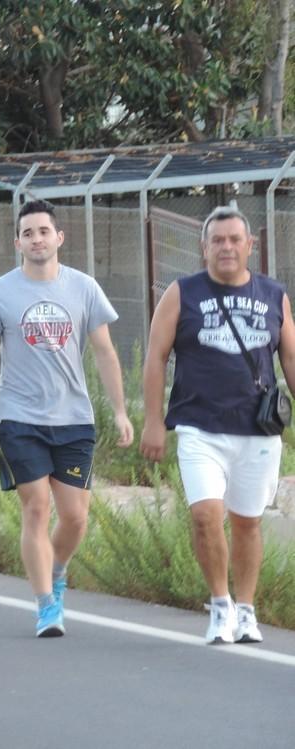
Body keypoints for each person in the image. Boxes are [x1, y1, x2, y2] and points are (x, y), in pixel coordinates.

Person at [0, 199, 133, 638]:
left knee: (76, 516)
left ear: (59, 237)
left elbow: (104, 351)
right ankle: (46, 605)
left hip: (73, 418)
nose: (37, 239)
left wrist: (120, 411)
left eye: (44, 231)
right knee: (37, 507)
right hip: (19, 416)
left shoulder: (83, 288)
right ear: (17, 242)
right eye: (28, 233)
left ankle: (57, 572)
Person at [141, 206, 294, 645]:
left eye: (234, 239)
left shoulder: (273, 295)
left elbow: (290, 357)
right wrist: (154, 421)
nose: (226, 247)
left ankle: (247, 611)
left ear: (250, 246)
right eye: (217, 240)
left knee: (247, 523)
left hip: (257, 429)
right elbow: (155, 356)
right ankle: (221, 604)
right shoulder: (182, 292)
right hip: (199, 426)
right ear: (203, 246)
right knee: (206, 517)